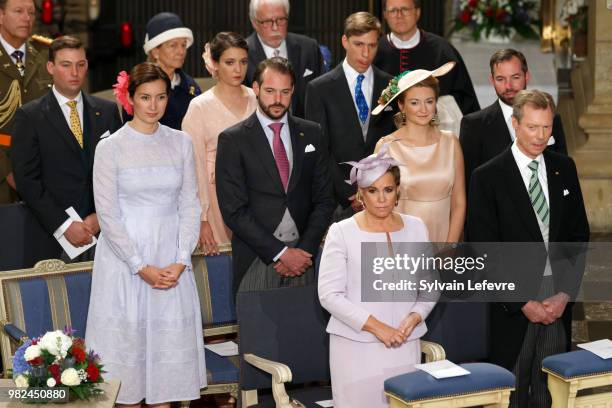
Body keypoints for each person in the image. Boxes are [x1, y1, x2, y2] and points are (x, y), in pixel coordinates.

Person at [85, 62, 205, 406]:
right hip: (125, 264)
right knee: (126, 377)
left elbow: (190, 205)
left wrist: (182, 260)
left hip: (171, 261)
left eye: (161, 97)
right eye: (146, 97)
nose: (154, 105)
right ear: (130, 99)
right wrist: (140, 266)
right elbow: (108, 215)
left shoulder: (181, 142)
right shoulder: (110, 147)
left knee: (166, 378)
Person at [466, 90, 589, 407]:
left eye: (547, 127)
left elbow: (577, 235)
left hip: (556, 299)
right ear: (516, 124)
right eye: (533, 127)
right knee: (514, 387)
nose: (541, 136)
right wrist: (521, 301)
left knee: (551, 386)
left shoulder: (565, 167)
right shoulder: (487, 176)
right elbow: (484, 249)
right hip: (512, 303)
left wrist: (565, 293)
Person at [318, 146, 435, 408]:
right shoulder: (342, 232)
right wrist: (378, 327)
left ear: (398, 191)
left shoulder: (416, 227)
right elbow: (329, 295)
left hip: (406, 344)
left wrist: (414, 317)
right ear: (360, 194)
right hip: (356, 348)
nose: (381, 198)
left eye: (388, 190)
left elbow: (430, 287)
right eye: (372, 191)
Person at [216, 57, 334, 293]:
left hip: (305, 259)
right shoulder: (233, 140)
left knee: (306, 329)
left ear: (293, 91)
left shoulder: (312, 133)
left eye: (285, 92)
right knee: (256, 329)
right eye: (270, 91)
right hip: (255, 257)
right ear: (256, 88)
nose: (278, 100)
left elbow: (324, 199)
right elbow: (234, 211)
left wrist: (304, 251)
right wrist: (280, 254)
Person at [11, 36, 122, 260]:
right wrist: (64, 225)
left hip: (105, 232)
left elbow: (121, 170)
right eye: (66, 65)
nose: (75, 72)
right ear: (50, 67)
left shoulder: (108, 111)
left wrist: (99, 218)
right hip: (50, 236)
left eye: (80, 65)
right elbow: (27, 181)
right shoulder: (30, 116)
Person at [305, 12, 396, 221]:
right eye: (359, 44)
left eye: (372, 45)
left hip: (384, 199)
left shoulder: (391, 86)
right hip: (338, 203)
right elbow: (319, 150)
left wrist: (378, 189)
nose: (366, 53)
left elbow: (396, 143)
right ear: (345, 41)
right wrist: (349, 194)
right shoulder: (319, 89)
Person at [182, 32, 257, 255]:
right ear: (214, 64)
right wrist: (201, 219)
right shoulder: (199, 107)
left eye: (243, 62)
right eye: (230, 62)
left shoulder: (256, 98)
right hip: (215, 199)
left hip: (256, 195)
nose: (238, 69)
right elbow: (193, 167)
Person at [373, 62, 465, 243]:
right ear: (401, 105)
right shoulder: (387, 147)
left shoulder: (451, 142)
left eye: (429, 102)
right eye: (414, 102)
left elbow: (459, 202)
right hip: (401, 243)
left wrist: (450, 247)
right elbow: (378, 204)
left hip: (446, 240)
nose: (423, 110)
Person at [460, 48, 568, 191]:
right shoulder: (474, 125)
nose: (508, 86)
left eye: (515, 77)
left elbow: (562, 172)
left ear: (526, 76)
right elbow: (469, 184)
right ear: (492, 80)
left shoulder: (552, 119)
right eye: (500, 79)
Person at [373, 0, 479, 116]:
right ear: (385, 15)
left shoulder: (443, 51)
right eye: (393, 10)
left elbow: (466, 103)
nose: (399, 15)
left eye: (405, 9)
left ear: (417, 12)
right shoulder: (373, 51)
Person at [0, 0, 53, 204]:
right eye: (19, 11)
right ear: (1, 15)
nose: (26, 17)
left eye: (31, 12)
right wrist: (8, 171)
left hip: (43, 171)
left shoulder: (46, 56)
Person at [245, 0, 324, 118]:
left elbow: (321, 93)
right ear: (254, 23)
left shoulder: (308, 47)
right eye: (267, 21)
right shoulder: (243, 53)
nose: (275, 27)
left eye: (281, 20)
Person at [140, 12, 201, 129]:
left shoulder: (191, 87)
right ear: (155, 52)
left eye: (183, 45)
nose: (181, 51)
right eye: (173, 45)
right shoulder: (139, 85)